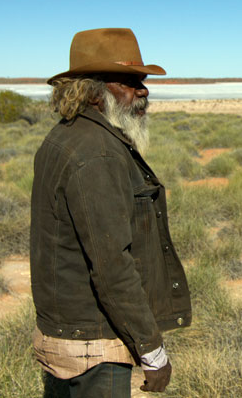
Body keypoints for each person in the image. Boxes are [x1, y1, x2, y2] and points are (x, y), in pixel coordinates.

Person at [30, 28, 191, 397]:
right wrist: (151, 350)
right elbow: (112, 265)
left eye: (143, 81)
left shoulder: (65, 136)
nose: (143, 90)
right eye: (131, 81)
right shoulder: (97, 154)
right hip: (94, 342)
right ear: (94, 91)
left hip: (69, 330)